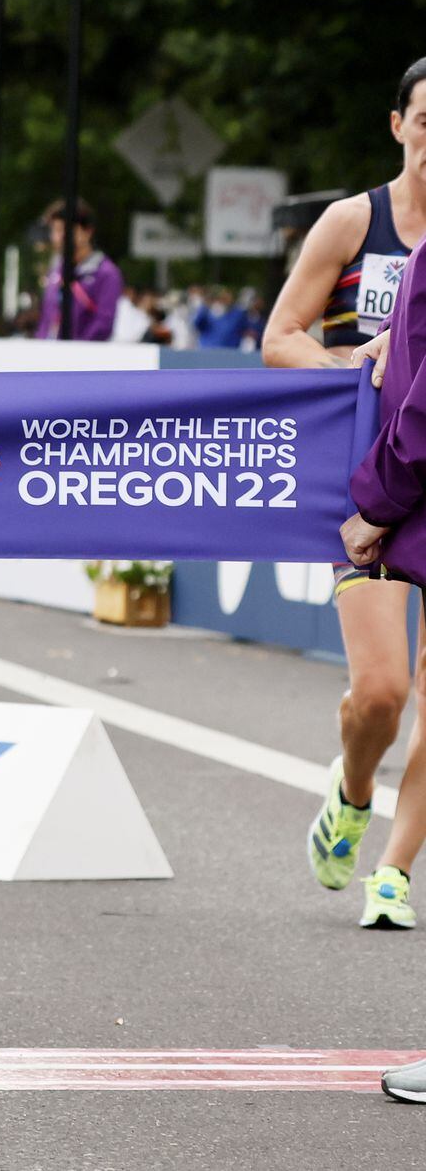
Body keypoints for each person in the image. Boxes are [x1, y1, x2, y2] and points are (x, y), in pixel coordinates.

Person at [265, 55, 426, 931]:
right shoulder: (352, 221)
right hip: (371, 480)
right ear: (398, 125)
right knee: (382, 692)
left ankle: (395, 871)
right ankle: (355, 789)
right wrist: (351, 363)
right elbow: (278, 337)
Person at [34, 199, 121, 340]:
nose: (57, 238)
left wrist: (74, 353)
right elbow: (46, 320)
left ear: (87, 232)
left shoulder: (106, 273)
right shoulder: (56, 270)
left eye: (62, 230)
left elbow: (103, 325)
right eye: (54, 230)